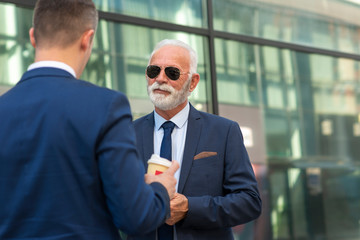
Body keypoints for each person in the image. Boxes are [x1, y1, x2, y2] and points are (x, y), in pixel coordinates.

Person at [0, 1, 179, 239]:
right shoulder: (106, 106)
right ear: (88, 38)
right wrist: (160, 191)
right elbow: (136, 217)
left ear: (33, 37)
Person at [130, 39, 262, 240]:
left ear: (193, 82)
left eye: (172, 72)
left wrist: (190, 208)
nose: (160, 79)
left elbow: (249, 202)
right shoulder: (127, 134)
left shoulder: (224, 131)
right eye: (153, 70)